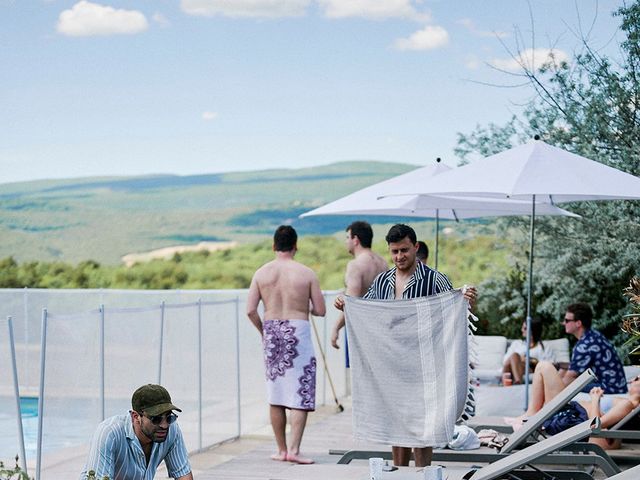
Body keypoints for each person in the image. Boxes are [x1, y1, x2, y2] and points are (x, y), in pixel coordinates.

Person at [335, 223, 477, 467]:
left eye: (404, 250)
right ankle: (399, 473)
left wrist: (467, 300)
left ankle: (423, 474)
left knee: (423, 426)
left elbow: (454, 309)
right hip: (392, 364)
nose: (399, 256)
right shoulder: (383, 281)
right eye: (394, 252)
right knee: (396, 422)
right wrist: (346, 305)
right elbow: (369, 312)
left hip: (425, 362)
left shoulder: (435, 279)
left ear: (415, 247)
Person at [247, 225, 326, 465]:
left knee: (277, 393)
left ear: (274, 246)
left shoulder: (261, 273)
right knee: (299, 391)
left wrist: (264, 332)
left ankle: (281, 450)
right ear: (295, 246)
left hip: (273, 332)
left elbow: (250, 310)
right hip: (298, 331)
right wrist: (302, 308)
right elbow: (321, 310)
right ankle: (295, 449)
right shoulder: (306, 273)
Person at [509, 363, 640, 449]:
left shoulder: (627, 404)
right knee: (543, 368)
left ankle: (531, 414)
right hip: (570, 415)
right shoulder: (625, 402)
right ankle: (532, 414)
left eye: (638, 379)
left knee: (545, 367)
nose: (634, 379)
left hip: (571, 418)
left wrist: (595, 399)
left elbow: (595, 425)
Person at [80, 384, 192, 480]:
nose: (164, 425)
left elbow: (184, 476)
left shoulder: (172, 430)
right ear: (135, 416)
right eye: (156, 419)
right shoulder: (110, 433)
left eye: (168, 417)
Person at [330, 221, 387, 350]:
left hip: (361, 328)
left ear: (355, 239)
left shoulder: (355, 265)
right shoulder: (383, 263)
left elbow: (351, 303)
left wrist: (336, 328)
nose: (346, 242)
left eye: (347, 238)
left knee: (357, 370)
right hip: (381, 327)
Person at [557, 303, 627, 394]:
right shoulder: (594, 335)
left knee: (564, 383)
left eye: (567, 320)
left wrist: (554, 388)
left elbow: (570, 378)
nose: (563, 323)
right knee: (563, 373)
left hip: (609, 389)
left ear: (578, 323)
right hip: (618, 386)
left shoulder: (584, 346)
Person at [502, 317, 555, 384]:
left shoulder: (543, 346)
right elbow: (505, 361)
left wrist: (529, 360)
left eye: (525, 328)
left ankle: (507, 384)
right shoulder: (517, 344)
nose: (522, 330)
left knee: (514, 357)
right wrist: (519, 359)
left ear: (533, 330)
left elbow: (550, 363)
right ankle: (518, 381)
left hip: (531, 368)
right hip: (514, 367)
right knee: (514, 356)